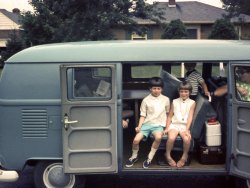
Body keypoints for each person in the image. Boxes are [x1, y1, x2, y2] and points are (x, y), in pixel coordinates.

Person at [125, 77, 170, 168]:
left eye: (158, 88)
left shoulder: (166, 99)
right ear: (150, 89)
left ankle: (149, 158)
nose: (156, 90)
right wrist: (139, 126)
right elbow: (143, 115)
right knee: (136, 140)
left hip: (158, 125)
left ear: (162, 89)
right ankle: (134, 156)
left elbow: (168, 114)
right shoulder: (146, 100)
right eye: (154, 88)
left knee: (158, 137)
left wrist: (167, 127)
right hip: (146, 124)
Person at [164, 81, 196, 168]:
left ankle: (185, 156)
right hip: (174, 124)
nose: (183, 93)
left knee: (186, 139)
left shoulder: (192, 102)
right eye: (181, 91)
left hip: (184, 126)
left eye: (186, 91)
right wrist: (167, 128)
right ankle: (167, 155)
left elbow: (190, 117)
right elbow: (170, 116)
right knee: (171, 138)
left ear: (190, 92)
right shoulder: (174, 101)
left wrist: (186, 130)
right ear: (179, 92)